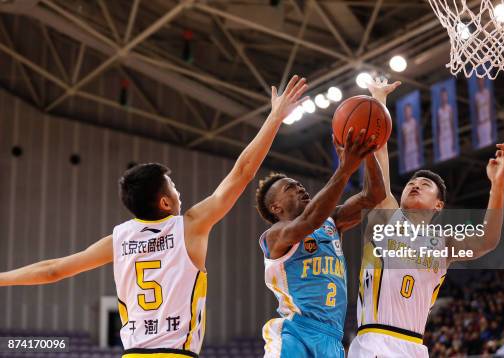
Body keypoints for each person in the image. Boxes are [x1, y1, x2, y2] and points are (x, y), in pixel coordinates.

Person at [0, 75, 309, 358]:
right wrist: (274, 117)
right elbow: (242, 172)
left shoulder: (119, 240)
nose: (178, 191)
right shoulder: (190, 226)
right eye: (173, 187)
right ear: (164, 201)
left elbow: (53, 270)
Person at [347, 78, 504, 358]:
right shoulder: (386, 216)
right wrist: (379, 101)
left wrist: (498, 185)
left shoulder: (443, 243)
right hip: (375, 341)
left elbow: (488, 240)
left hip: (414, 347)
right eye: (412, 183)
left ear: (438, 204)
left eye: (424, 185)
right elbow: (380, 163)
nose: (415, 185)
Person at [254, 128, 386, 357]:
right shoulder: (274, 235)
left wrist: (367, 153)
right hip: (296, 333)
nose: (300, 187)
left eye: (298, 184)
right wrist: (345, 168)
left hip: (333, 338)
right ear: (276, 208)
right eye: (290, 188)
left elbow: (374, 197)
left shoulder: (330, 221)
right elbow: (309, 220)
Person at [436, 88, 457, 161]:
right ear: (440, 97)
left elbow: (452, 124)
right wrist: (438, 141)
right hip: (442, 137)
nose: (444, 97)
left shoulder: (449, 108)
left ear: (447, 97)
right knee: (443, 157)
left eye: (445, 96)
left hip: (449, 135)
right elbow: (438, 127)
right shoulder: (439, 111)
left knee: (451, 155)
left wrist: (454, 140)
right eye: (442, 96)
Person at [401, 104, 422, 172]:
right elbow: (404, 141)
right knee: (408, 170)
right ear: (404, 113)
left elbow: (417, 137)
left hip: (414, 148)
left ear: (411, 111)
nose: (407, 112)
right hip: (407, 150)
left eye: (409, 111)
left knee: (416, 169)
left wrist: (418, 151)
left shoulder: (414, 122)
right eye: (406, 111)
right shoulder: (403, 125)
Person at [474, 78, 494, 147]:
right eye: (479, 81)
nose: (481, 83)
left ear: (484, 82)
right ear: (477, 82)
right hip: (480, 123)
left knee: (489, 141)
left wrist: (491, 119)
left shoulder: (487, 92)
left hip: (487, 121)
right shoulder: (476, 96)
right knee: (481, 143)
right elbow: (476, 111)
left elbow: (490, 107)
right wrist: (477, 122)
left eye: (482, 81)